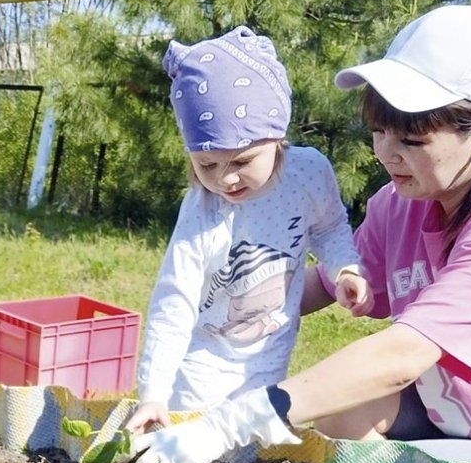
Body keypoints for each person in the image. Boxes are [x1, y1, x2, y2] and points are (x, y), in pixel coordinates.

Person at [125, 4, 471, 463]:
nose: (386, 153)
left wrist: (227, 424)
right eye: (379, 130)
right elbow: (335, 282)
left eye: (411, 139)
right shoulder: (400, 203)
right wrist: (228, 303)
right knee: (339, 417)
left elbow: (402, 355)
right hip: (452, 412)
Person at [126, 25, 371, 437]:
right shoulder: (202, 211)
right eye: (207, 165)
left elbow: (329, 227)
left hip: (270, 350)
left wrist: (344, 268)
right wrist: (153, 394)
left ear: (276, 137)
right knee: (191, 441)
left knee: (245, 445)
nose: (225, 180)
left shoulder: (309, 173)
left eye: (242, 162)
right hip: (203, 356)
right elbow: (174, 303)